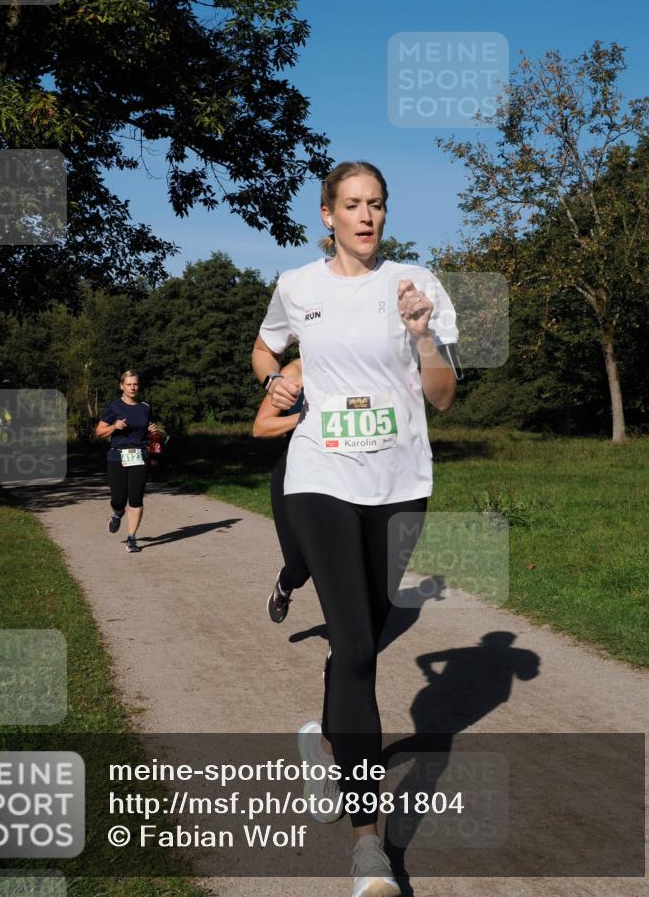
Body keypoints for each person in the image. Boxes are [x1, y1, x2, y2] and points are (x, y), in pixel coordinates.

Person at [251, 160, 458, 896]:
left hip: (400, 482)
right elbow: (265, 347)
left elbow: (444, 398)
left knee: (359, 637)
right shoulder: (297, 286)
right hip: (320, 475)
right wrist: (274, 380)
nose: (366, 216)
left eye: (376, 205)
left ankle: (328, 740)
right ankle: (368, 845)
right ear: (327, 215)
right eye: (352, 205)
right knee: (361, 648)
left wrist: (423, 337)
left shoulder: (417, 285)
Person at [252, 357, 311, 623]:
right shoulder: (294, 371)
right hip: (295, 474)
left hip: (344, 477)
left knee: (339, 568)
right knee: (300, 569)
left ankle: (341, 652)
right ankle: (285, 585)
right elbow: (261, 426)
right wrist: (305, 418)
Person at [95, 370, 158, 553]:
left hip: (139, 456)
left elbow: (145, 432)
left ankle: (131, 538)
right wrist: (114, 426)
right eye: (129, 384)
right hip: (117, 456)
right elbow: (99, 431)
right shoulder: (114, 407)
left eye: (135, 384)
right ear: (121, 386)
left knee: (136, 498)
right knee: (119, 499)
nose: (132, 387)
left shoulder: (145, 407)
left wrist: (152, 430)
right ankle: (116, 514)